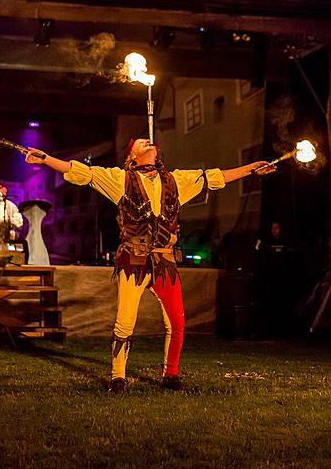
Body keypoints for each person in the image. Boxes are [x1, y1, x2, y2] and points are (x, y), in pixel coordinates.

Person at [25, 139, 274, 392]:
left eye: (148, 140)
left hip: (164, 260)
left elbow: (215, 177)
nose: (146, 141)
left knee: (177, 322)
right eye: (139, 142)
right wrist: (45, 159)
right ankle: (118, 376)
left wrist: (251, 168)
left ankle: (171, 375)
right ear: (132, 157)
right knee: (125, 321)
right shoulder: (119, 179)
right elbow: (81, 172)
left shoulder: (177, 181)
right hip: (133, 259)